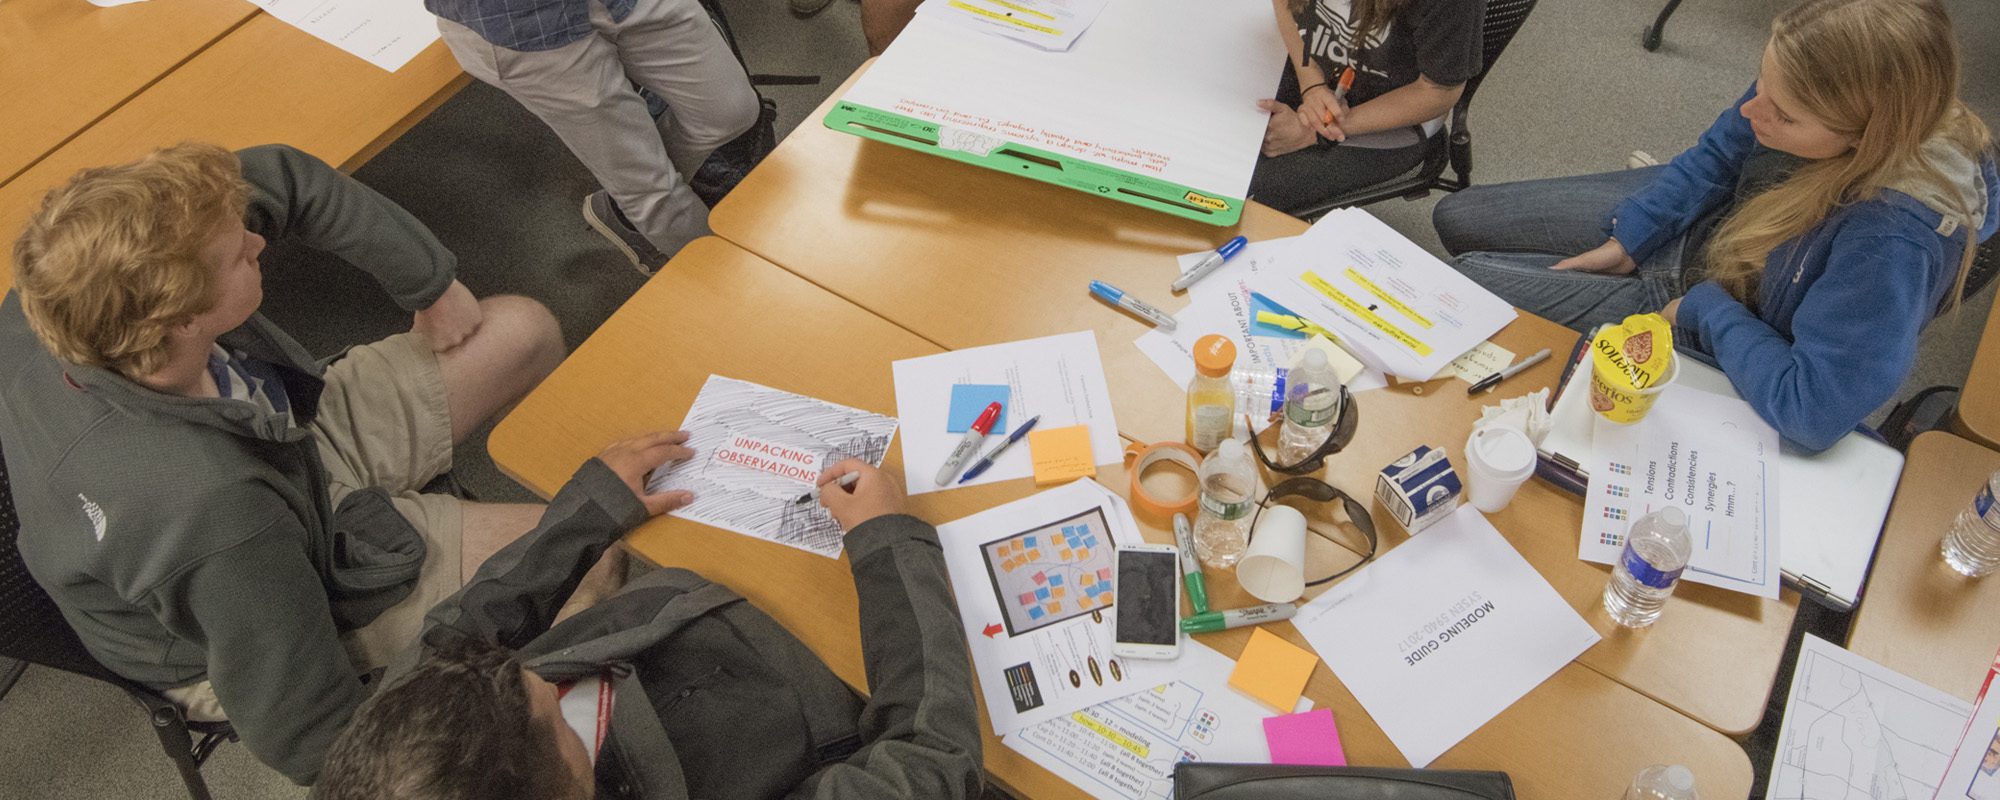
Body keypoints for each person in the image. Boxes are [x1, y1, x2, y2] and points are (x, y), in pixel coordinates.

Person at [0, 143, 586, 784]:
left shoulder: (62, 288)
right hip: (260, 586)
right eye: (239, 255)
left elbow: (287, 176)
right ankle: (569, 754)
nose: (258, 242)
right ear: (183, 319)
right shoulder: (211, 515)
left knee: (523, 331)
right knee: (588, 558)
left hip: (280, 444)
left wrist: (430, 285)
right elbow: (308, 735)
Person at [1432, 0, 1996, 452]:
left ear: (1864, 136)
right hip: (1717, 230)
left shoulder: (1890, 243)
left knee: (1466, 283)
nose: (1752, 112)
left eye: (1784, 115)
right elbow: (1722, 151)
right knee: (1456, 215)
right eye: (1761, 84)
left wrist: (1705, 310)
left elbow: (1813, 410)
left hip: (1722, 308)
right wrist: (1636, 233)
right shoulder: (1810, 87)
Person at [312, 455, 984, 800]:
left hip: (697, 613)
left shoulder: (392, 748)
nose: (533, 666)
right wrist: (888, 543)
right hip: (824, 683)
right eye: (548, 703)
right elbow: (929, 760)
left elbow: (464, 628)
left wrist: (589, 512)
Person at [426, 0, 760, 273]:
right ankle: (734, 286)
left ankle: (625, 206)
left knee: (731, 111)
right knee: (653, 191)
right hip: (522, 27)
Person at [1249, 0, 1485, 215]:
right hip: (1316, 67)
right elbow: (1284, 4)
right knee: (1229, 149)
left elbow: (1438, 92)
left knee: (1249, 196)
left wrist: (1316, 129)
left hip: (1393, 116)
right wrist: (1311, 85)